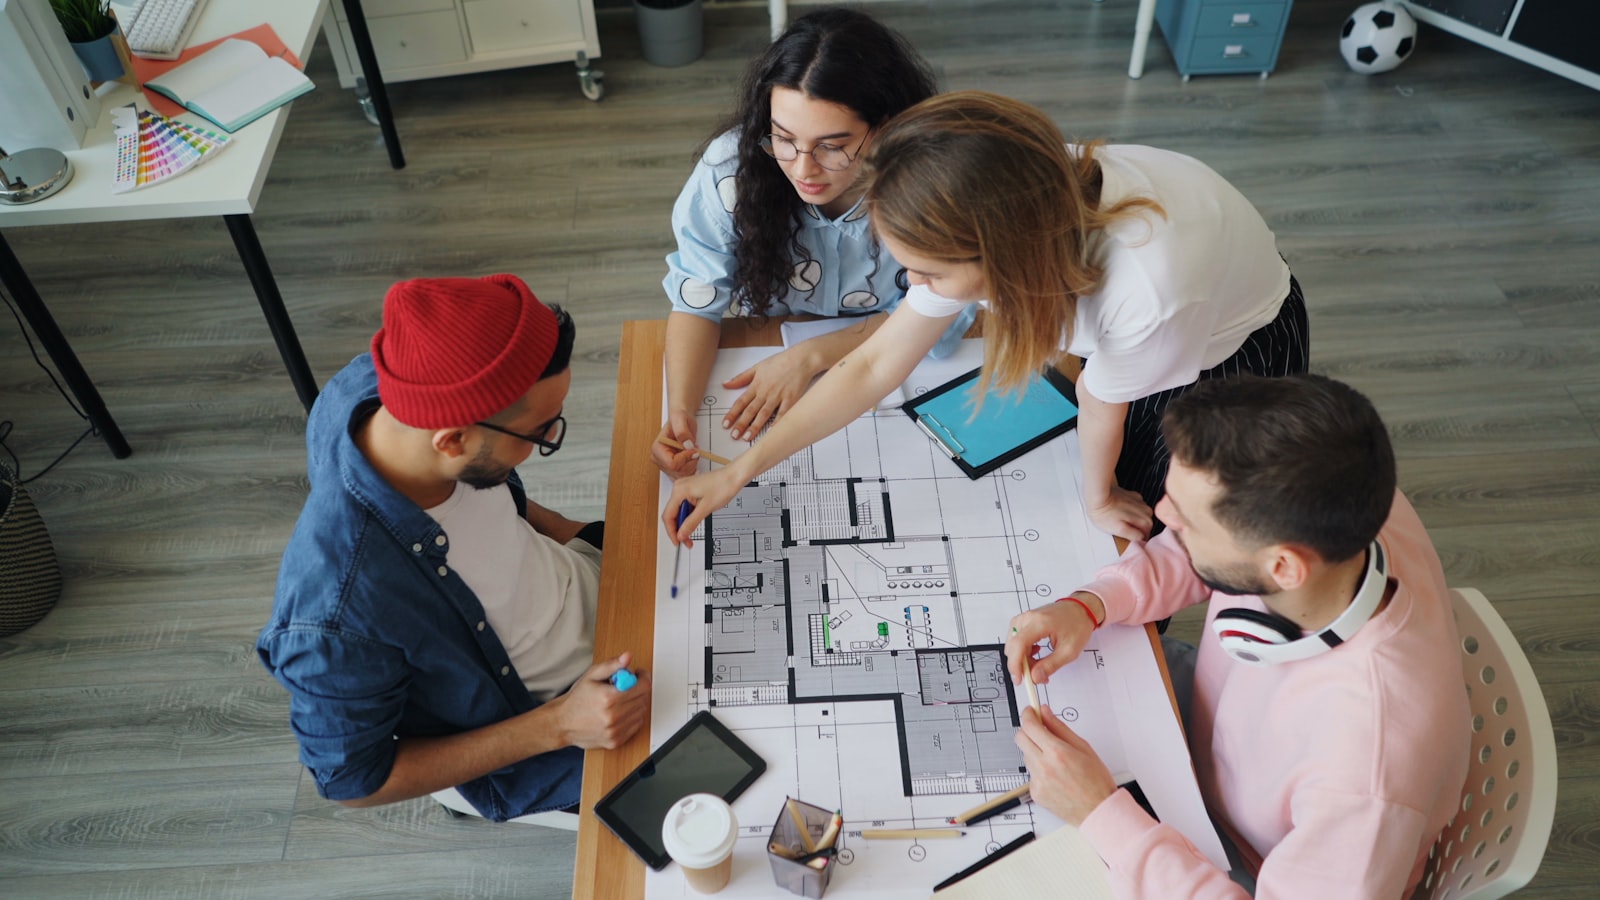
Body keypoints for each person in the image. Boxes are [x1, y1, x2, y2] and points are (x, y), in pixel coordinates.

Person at [661, 91, 1307, 544]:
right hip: (1145, 308)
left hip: (1228, 348)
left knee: (1164, 517)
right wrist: (738, 472)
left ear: (998, 254)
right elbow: (872, 364)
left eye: (931, 274)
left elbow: (1101, 398)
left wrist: (1099, 497)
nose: (914, 289)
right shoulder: (990, 201)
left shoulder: (1146, 290)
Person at [1005, 374, 1471, 898]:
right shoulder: (1337, 500)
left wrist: (1100, 812)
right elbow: (1199, 555)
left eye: (1185, 522)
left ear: (1284, 568)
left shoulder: (1365, 778)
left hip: (1248, 862)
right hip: (1211, 745)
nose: (1161, 515)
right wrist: (1090, 606)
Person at [258, 275, 650, 822]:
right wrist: (561, 723)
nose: (545, 442)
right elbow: (351, 779)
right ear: (452, 441)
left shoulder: (387, 388)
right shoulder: (334, 614)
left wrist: (584, 533)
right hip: (560, 714)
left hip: (590, 592)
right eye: (540, 433)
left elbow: (496, 507)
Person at [652, 8, 974, 478]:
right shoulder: (731, 171)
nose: (803, 170)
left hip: (899, 352)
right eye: (783, 139)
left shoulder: (932, 183)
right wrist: (679, 411)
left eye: (832, 146)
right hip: (786, 343)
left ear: (885, 127)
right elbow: (697, 296)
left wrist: (813, 354)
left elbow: (950, 312)